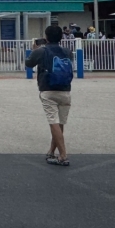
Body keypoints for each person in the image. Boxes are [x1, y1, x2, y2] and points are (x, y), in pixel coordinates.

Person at [25, 24, 74, 166]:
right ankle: (52, 151)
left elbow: (29, 64)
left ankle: (63, 155)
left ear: (46, 37)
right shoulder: (67, 51)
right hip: (65, 89)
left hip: (48, 89)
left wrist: (34, 50)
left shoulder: (41, 51)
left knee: (53, 122)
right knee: (60, 122)